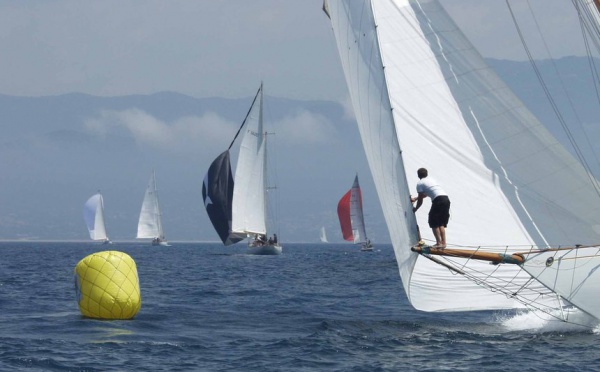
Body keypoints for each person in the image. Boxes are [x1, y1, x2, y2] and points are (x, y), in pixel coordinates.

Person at [410, 168, 450, 248]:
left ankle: (438, 243)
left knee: (433, 222)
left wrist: (416, 209)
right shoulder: (432, 180)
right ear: (427, 174)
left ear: (418, 175)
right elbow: (427, 193)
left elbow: (421, 199)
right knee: (440, 223)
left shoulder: (420, 184)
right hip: (446, 199)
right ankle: (443, 243)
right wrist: (415, 198)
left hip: (438, 200)